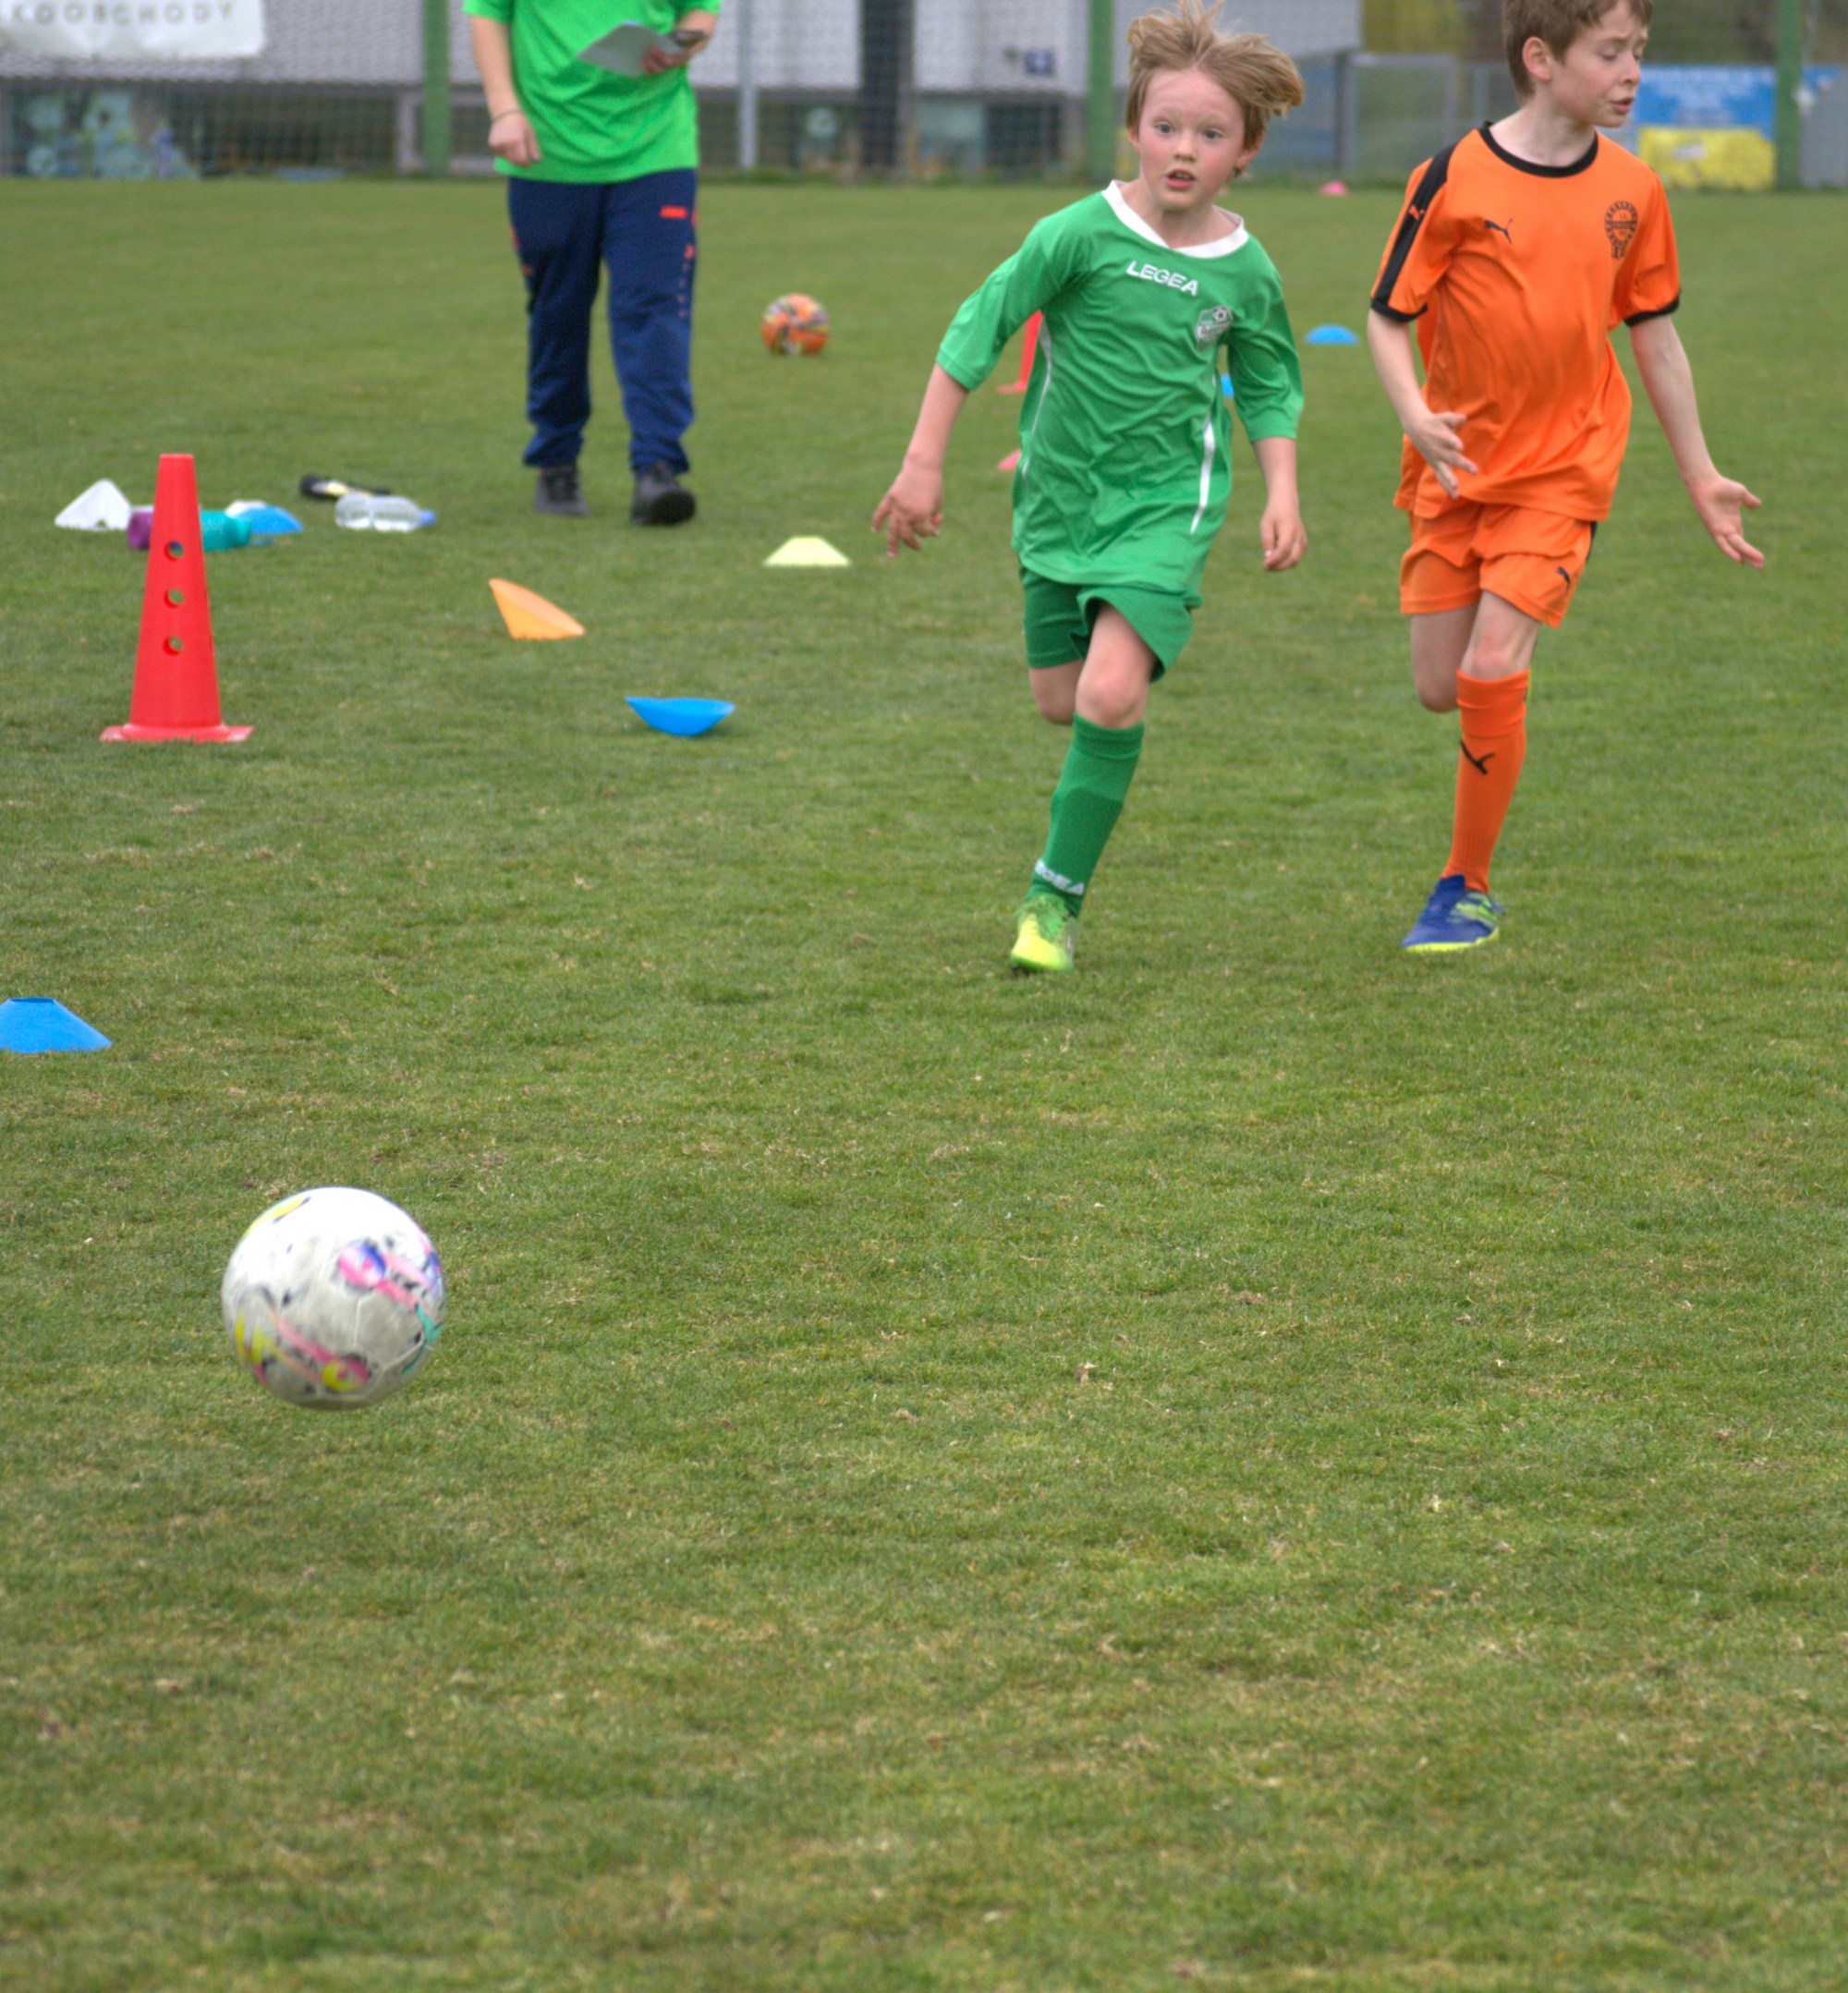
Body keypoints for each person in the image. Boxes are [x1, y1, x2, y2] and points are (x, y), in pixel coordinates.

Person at [874, 0, 1307, 975]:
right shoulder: (1076, 233)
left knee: (1110, 695)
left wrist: (1281, 490)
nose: (1183, 149)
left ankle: (1051, 904)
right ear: (1133, 128)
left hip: (1167, 507)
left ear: (1246, 149)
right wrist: (923, 461)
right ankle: (1089, 779)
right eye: (1166, 126)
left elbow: (1269, 381)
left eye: (1210, 134)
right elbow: (980, 326)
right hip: (1060, 498)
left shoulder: (1245, 270)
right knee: (1061, 701)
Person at [1368, 0, 1762, 954]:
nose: (1632, 72)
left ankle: (1464, 888)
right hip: (1458, 467)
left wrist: (1700, 474)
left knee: (1491, 663)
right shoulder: (1449, 177)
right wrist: (1414, 413)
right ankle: (1477, 806)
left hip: (1565, 469)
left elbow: (1655, 339)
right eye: (1611, 52)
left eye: (1639, 52)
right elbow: (1386, 315)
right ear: (1540, 58)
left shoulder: (1635, 190)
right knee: (1438, 685)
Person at [466, 0, 718, 525]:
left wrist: (681, 45)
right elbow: (487, 11)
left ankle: (658, 470)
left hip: (656, 150)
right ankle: (556, 462)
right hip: (549, 152)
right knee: (558, 311)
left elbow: (701, 9)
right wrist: (504, 109)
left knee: (654, 308)